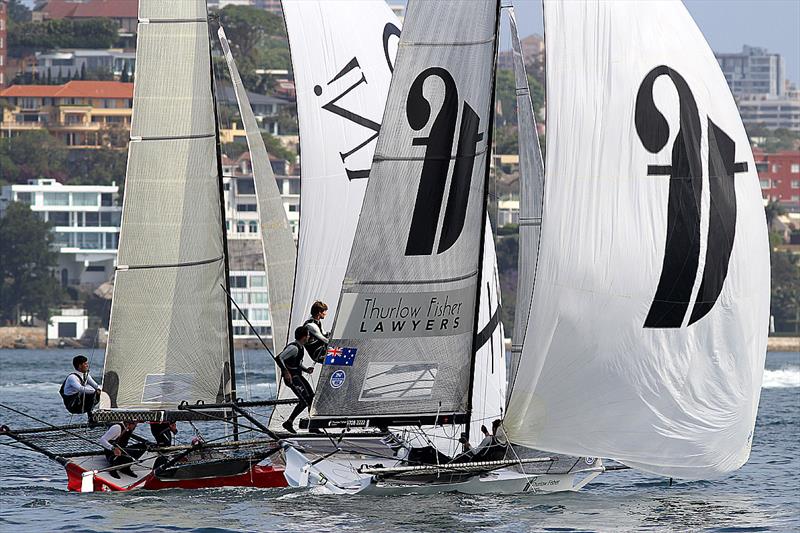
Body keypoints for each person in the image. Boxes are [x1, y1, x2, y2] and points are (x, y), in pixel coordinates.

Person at [277, 326, 315, 434]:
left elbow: (297, 363)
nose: (309, 337)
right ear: (304, 337)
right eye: (308, 335)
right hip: (292, 378)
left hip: (298, 376)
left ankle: (312, 426)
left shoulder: (300, 347)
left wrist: (306, 369)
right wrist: (285, 372)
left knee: (312, 398)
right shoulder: (294, 348)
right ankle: (289, 422)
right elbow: (279, 358)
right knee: (304, 401)